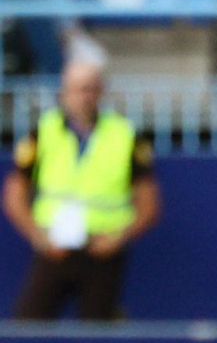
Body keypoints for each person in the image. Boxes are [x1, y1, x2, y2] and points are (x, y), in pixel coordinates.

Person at [3, 61, 160, 320]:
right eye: (78, 89)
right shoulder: (44, 132)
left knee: (98, 333)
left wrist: (119, 238)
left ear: (101, 92)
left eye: (90, 89)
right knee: (29, 326)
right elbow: (14, 192)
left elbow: (149, 203)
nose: (84, 97)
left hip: (102, 249)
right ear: (64, 92)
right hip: (55, 246)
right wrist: (37, 235)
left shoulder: (123, 135)